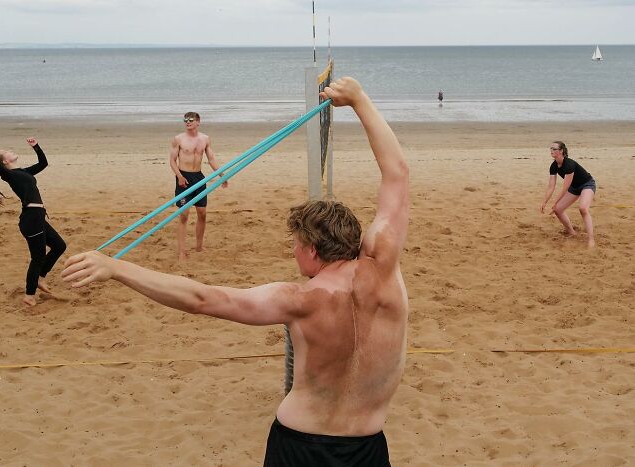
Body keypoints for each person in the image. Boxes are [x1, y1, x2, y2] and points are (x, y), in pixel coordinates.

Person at [61, 77, 409, 466]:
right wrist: (360, 100)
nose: (294, 252)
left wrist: (117, 268)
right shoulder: (384, 268)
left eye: (295, 245)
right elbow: (397, 172)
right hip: (367, 446)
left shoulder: (299, 299)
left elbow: (203, 299)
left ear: (311, 249)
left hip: (300, 446)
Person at [0, 138, 67, 306]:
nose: (11, 150)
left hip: (38, 217)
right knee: (38, 257)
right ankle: (29, 295)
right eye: (7, 151)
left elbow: (43, 163)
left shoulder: (24, 172)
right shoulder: (8, 174)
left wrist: (36, 147)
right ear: (5, 161)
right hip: (31, 219)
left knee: (59, 246)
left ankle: (40, 278)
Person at [169, 111, 228, 261]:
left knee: (202, 213)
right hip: (183, 178)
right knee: (184, 215)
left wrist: (222, 175)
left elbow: (212, 159)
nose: (187, 122)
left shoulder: (205, 139)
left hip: (199, 178)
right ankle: (182, 251)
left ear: (198, 122)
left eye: (190, 120)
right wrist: (179, 176)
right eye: (185, 120)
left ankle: (199, 246)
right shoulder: (178, 139)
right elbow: (172, 161)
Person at [540, 141, 596, 247]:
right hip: (574, 188)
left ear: (561, 151)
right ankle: (571, 232)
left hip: (587, 184)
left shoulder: (569, 164)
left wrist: (555, 202)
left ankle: (591, 239)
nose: (551, 151)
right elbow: (551, 186)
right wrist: (544, 202)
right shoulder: (554, 166)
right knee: (558, 210)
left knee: (583, 208)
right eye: (550, 148)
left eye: (554, 149)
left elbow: (565, 187)